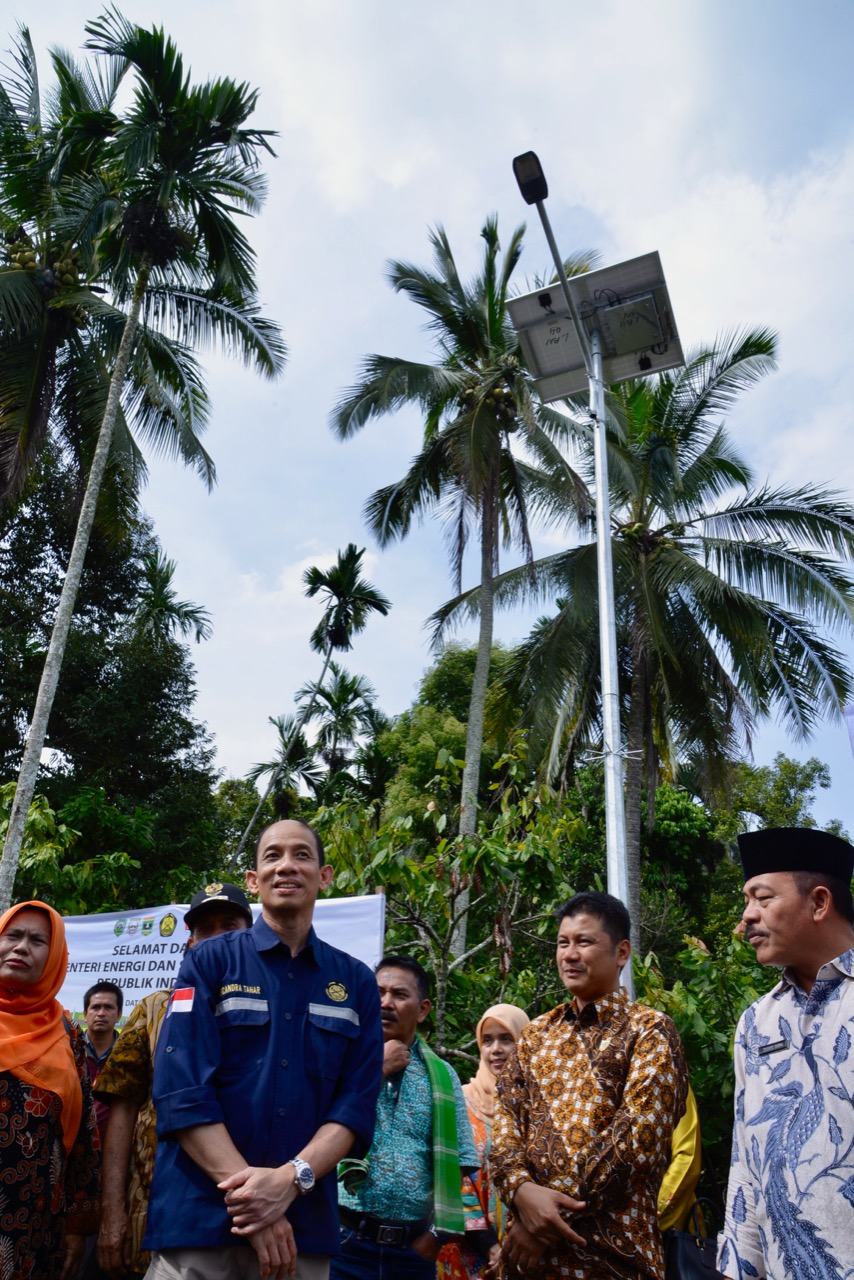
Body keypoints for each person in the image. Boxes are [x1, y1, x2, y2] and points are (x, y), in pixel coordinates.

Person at [144, 820, 384, 1280]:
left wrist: (289, 1181)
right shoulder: (207, 961)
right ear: (254, 880)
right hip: (199, 1222)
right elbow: (181, 1089)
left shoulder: (356, 983)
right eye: (272, 856)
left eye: (301, 855)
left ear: (325, 875)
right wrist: (257, 1199)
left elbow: (354, 1108)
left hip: (302, 1233)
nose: (286, 866)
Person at [491, 891, 688, 1280]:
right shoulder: (535, 1035)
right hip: (531, 1266)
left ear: (622, 952)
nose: (569, 954)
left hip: (612, 1257)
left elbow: (637, 1143)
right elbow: (504, 1127)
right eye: (563, 943)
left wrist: (541, 1217)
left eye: (584, 942)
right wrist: (520, 1191)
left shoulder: (649, 1030)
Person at [94, 882, 255, 1280]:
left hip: (253, 1208)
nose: (217, 938)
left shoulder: (274, 1008)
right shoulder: (153, 1010)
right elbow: (123, 1108)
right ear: (189, 940)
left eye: (229, 926)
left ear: (252, 934)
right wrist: (113, 1211)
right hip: (156, 1204)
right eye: (205, 929)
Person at [719, 827, 854, 1280]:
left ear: (819, 903)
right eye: (746, 901)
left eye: (761, 898)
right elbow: (746, 1162)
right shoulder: (756, 1023)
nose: (746, 918)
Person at [332, 954, 480, 1280]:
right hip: (342, 1243)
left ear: (423, 1009)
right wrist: (376, 1068)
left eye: (399, 995)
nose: (386, 1002)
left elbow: (461, 1164)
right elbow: (314, 1131)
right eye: (378, 992)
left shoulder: (443, 1077)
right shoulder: (338, 1058)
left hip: (412, 1254)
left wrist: (434, 1238)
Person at [0, 900, 100, 1280]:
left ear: (56, 955)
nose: (21, 947)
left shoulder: (67, 1033)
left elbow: (85, 1130)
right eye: (13, 935)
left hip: (33, 1220)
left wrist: (78, 1224)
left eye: (38, 940)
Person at [437, 1003, 529, 1280]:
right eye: (487, 1040)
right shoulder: (461, 1102)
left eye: (506, 1039)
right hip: (467, 1251)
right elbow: (454, 1179)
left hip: (529, 1248)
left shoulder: (541, 1108)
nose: (495, 1049)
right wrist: (491, 1248)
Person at [82, 980, 124, 1141]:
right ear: (85, 1014)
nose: (101, 1013)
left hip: (113, 1143)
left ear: (119, 1014)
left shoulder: (129, 1056)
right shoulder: (69, 1050)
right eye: (95, 1007)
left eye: (108, 1007)